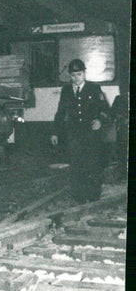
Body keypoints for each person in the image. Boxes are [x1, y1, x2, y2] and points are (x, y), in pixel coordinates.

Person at [50, 58, 110, 202]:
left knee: (93, 165)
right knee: (76, 166)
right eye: (73, 75)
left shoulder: (94, 89)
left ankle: (94, 196)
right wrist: (55, 132)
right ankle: (79, 198)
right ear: (70, 76)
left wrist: (100, 120)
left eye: (79, 74)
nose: (76, 78)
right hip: (74, 135)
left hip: (91, 135)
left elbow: (105, 109)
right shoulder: (66, 91)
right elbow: (60, 113)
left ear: (84, 74)